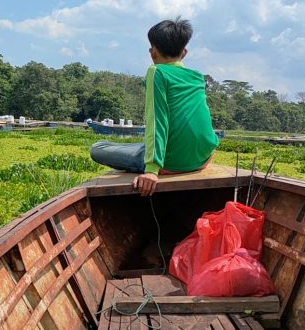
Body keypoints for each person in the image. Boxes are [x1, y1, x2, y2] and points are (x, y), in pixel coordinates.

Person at [90, 17, 218, 196]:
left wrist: (151, 169)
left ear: (152, 52)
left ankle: (149, 155)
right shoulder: (197, 76)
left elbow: (157, 120)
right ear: (184, 52)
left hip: (170, 162)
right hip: (203, 158)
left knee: (97, 148)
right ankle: (148, 150)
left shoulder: (156, 71)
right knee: (140, 146)